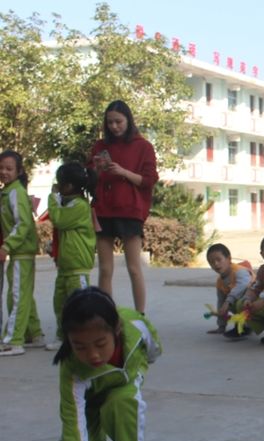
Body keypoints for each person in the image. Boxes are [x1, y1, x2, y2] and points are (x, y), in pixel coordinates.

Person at [48, 287, 161, 441]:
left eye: (100, 344)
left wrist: (140, 368)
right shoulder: (72, 368)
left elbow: (153, 349)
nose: (93, 355)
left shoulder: (134, 324)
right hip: (89, 398)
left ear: (117, 330)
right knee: (81, 436)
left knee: (123, 404)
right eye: (80, 346)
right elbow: (74, 427)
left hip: (123, 384)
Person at [88, 100, 159, 314]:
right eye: (110, 122)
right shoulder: (100, 146)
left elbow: (148, 180)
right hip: (103, 209)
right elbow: (89, 179)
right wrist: (97, 170)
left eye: (118, 121)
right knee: (105, 269)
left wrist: (123, 172)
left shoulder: (143, 146)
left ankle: (140, 315)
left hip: (130, 211)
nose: (114, 126)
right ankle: (106, 315)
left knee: (134, 268)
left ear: (128, 120)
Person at [46, 162, 98, 352]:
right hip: (65, 265)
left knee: (79, 306)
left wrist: (52, 198)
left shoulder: (79, 206)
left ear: (68, 186)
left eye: (59, 183)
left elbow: (59, 219)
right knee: (60, 304)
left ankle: (83, 338)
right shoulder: (69, 204)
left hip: (77, 266)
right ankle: (63, 336)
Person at [0, 150, 44, 356]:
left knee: (17, 296)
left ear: (18, 171)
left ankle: (13, 341)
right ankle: (33, 334)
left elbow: (23, 223)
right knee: (23, 294)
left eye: (9, 168)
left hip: (20, 252)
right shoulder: (9, 192)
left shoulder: (15, 192)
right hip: (22, 252)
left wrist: (7, 246)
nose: (4, 172)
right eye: (1, 168)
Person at [206, 243, 253, 334]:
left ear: (229, 259)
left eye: (219, 260)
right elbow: (221, 302)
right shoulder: (220, 282)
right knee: (227, 304)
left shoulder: (240, 271)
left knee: (238, 302)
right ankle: (243, 326)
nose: (216, 264)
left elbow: (242, 286)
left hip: (257, 301)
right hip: (243, 305)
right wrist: (221, 326)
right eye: (211, 262)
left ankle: (244, 327)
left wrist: (228, 301)